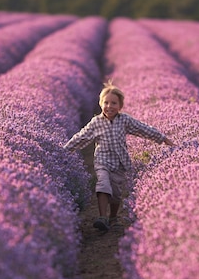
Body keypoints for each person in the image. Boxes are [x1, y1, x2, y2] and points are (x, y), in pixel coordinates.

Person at [64, 80, 175, 231]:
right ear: (101, 104)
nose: (109, 106)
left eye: (114, 103)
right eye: (106, 102)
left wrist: (162, 138)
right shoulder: (96, 122)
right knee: (103, 185)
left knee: (116, 194)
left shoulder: (124, 120)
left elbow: (142, 129)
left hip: (120, 163)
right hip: (102, 161)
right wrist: (65, 150)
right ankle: (102, 217)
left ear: (120, 106)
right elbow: (81, 137)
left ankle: (113, 217)